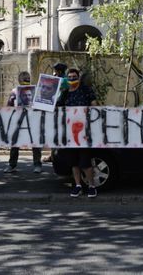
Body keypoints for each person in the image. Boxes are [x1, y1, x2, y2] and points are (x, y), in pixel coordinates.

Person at [56, 67, 100, 198]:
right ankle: (78, 186)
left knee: (85, 162)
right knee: (74, 163)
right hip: (70, 133)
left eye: (74, 77)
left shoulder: (86, 90)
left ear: (78, 77)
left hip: (85, 133)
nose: (71, 79)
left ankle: (92, 186)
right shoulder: (65, 93)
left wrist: (93, 110)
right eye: (69, 77)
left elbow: (95, 105)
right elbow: (57, 107)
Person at [4, 71, 42, 174]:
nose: (26, 81)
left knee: (35, 143)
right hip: (18, 121)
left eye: (27, 79)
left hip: (32, 120)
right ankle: (12, 165)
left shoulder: (35, 91)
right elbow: (9, 106)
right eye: (24, 79)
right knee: (15, 143)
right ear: (19, 81)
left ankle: (37, 164)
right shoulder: (14, 91)